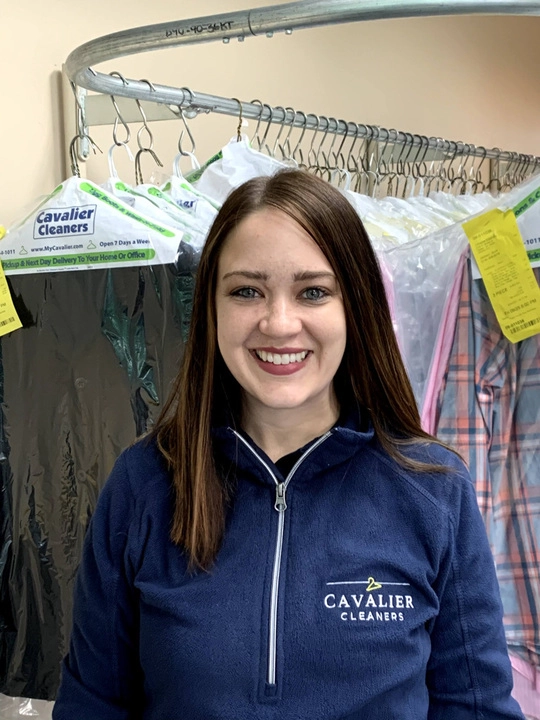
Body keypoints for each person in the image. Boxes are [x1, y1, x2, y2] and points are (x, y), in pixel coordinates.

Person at [53, 169, 524, 719]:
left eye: (313, 291)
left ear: (356, 307)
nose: (279, 323)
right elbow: (92, 705)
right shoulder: (143, 483)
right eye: (247, 291)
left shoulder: (433, 488)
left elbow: (477, 708)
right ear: (211, 307)